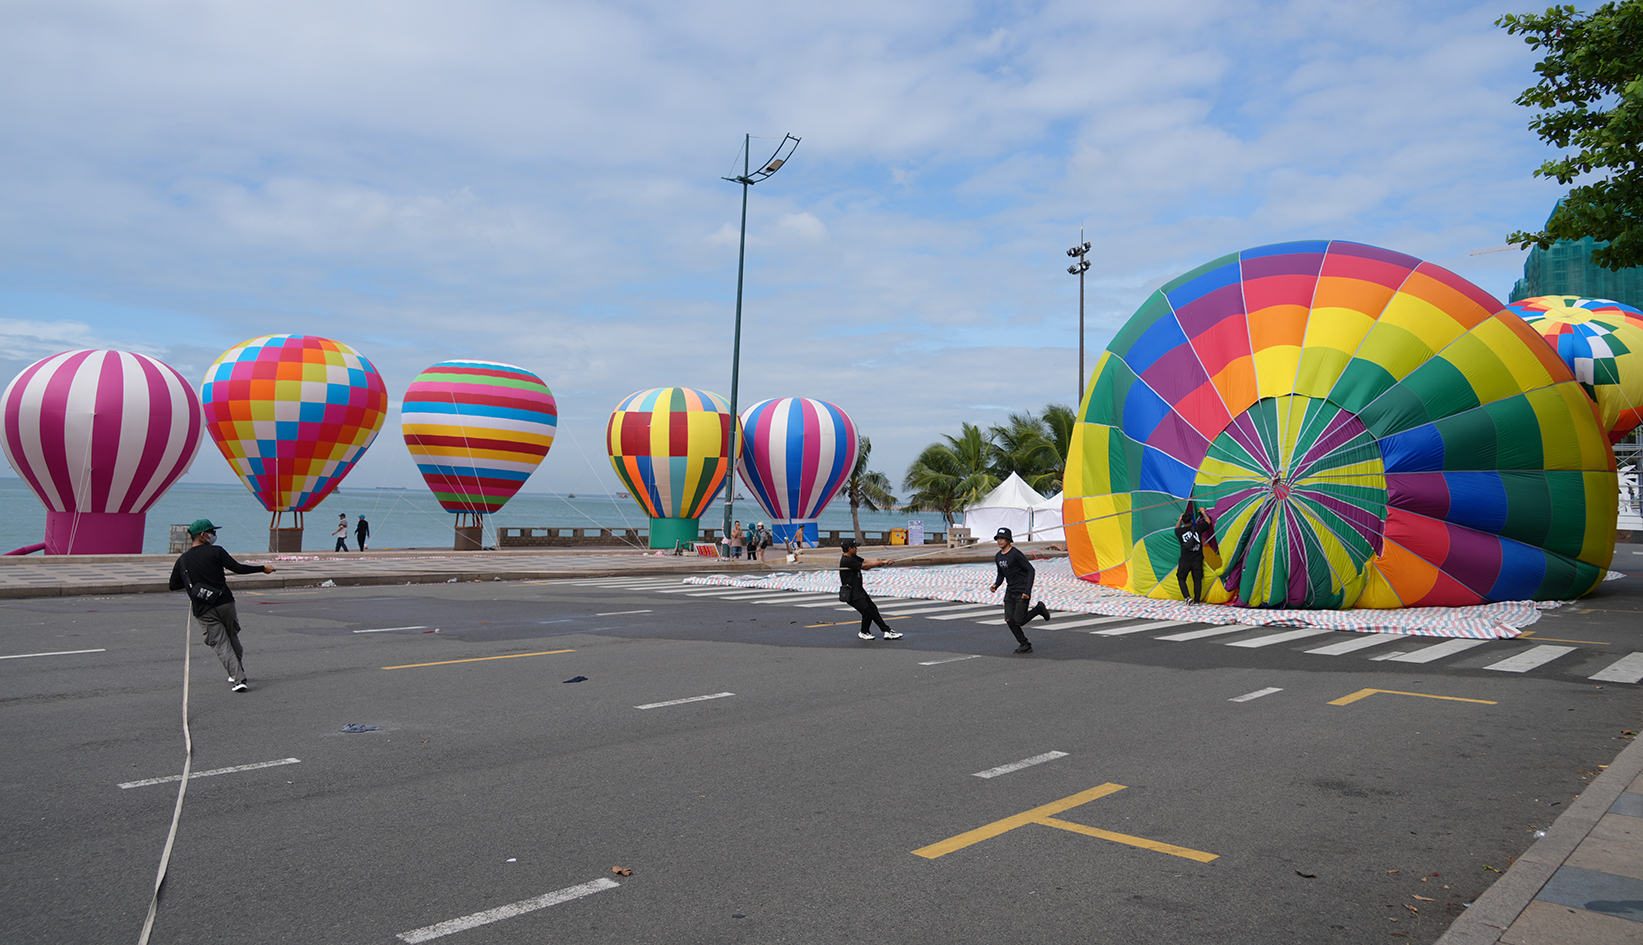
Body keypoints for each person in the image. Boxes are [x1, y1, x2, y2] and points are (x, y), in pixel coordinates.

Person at [168, 519, 276, 693]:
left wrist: (195, 586)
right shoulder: (216, 551)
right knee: (232, 637)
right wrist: (263, 568)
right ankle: (236, 673)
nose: (214, 535)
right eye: (212, 531)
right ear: (203, 535)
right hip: (225, 601)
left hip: (203, 607)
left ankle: (238, 679)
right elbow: (238, 568)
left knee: (220, 643)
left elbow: (173, 585)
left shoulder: (183, 559)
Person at [990, 527, 1050, 653]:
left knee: (1019, 620)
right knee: (1009, 620)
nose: (1000, 541)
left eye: (1003, 538)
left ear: (1009, 540)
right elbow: (1001, 574)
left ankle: (1039, 609)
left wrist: (1027, 591)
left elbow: (1030, 570)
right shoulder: (998, 556)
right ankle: (1025, 644)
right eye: (998, 539)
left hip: (1022, 590)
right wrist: (996, 585)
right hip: (1010, 591)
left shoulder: (1016, 554)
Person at [838, 536, 902, 641]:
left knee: (872, 609)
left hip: (859, 591)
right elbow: (865, 567)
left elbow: (866, 562)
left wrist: (883, 562)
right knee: (867, 611)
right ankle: (865, 632)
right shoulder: (847, 561)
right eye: (855, 547)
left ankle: (886, 631)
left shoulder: (853, 558)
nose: (856, 549)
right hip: (852, 594)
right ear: (850, 549)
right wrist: (880, 563)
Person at [1174, 504, 1216, 603]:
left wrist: (1180, 519)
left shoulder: (1179, 532)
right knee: (1197, 580)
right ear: (1192, 521)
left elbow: (1176, 528)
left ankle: (1188, 597)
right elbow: (1208, 522)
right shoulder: (1197, 528)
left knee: (1181, 578)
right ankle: (1197, 600)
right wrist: (1203, 512)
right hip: (1197, 560)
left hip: (1185, 560)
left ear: (1183, 522)